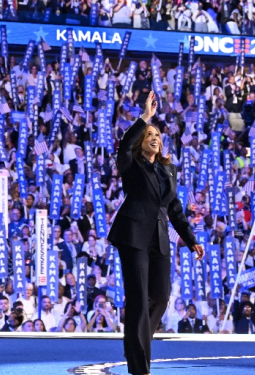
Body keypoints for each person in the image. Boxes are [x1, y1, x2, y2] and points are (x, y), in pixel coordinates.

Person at [107, 91, 204, 375]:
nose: (155, 136)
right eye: (149, 133)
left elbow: (174, 209)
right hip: (133, 236)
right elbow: (124, 146)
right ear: (141, 140)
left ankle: (135, 343)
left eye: (158, 134)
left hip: (160, 239)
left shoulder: (168, 170)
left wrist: (191, 240)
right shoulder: (131, 163)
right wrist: (145, 117)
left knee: (160, 297)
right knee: (138, 299)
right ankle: (140, 368)